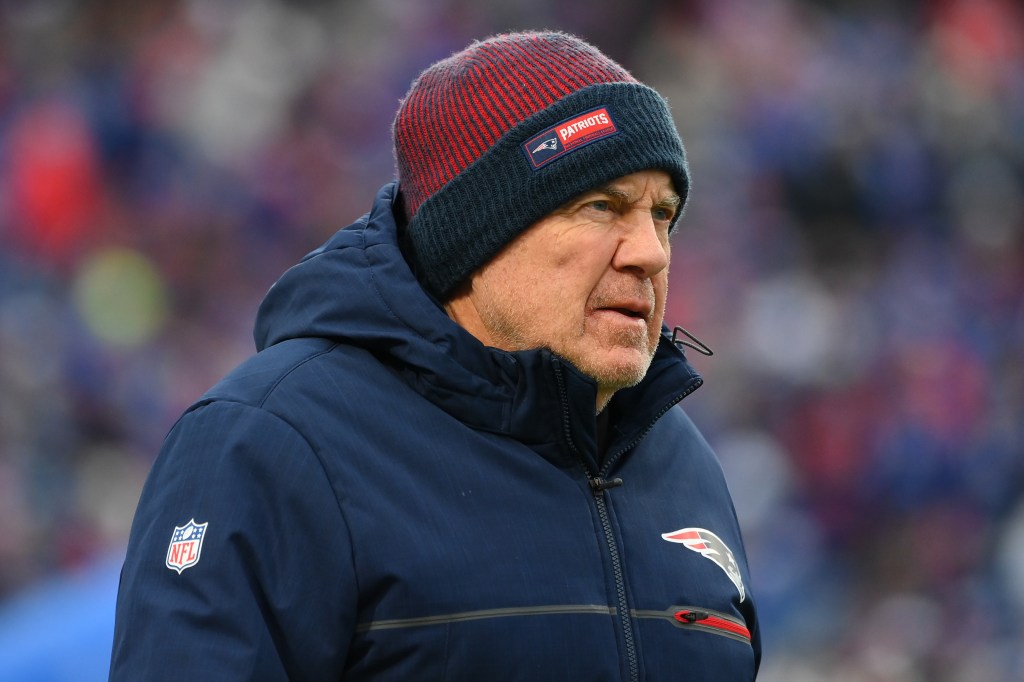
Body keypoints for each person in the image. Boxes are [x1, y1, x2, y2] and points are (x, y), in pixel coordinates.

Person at [109, 30, 761, 680]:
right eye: (601, 206)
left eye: (663, 215)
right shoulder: (270, 446)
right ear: (476, 236)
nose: (649, 251)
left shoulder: (684, 462)